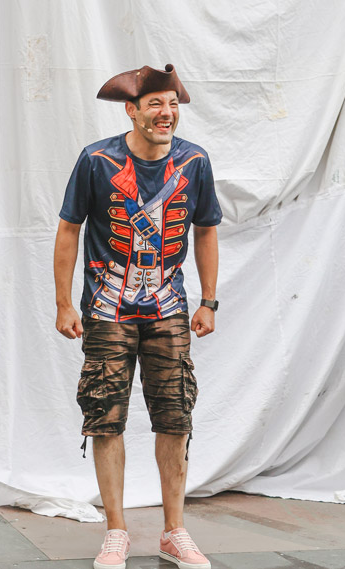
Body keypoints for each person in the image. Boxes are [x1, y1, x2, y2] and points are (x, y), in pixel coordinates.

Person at [54, 63, 221, 569]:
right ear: (132, 110)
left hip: (169, 309)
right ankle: (116, 532)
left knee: (175, 416)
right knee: (105, 417)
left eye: (171, 103)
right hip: (108, 309)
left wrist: (208, 300)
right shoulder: (97, 160)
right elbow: (69, 230)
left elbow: (206, 229)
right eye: (154, 104)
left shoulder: (194, 162)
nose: (166, 113)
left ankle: (175, 531)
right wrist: (64, 303)